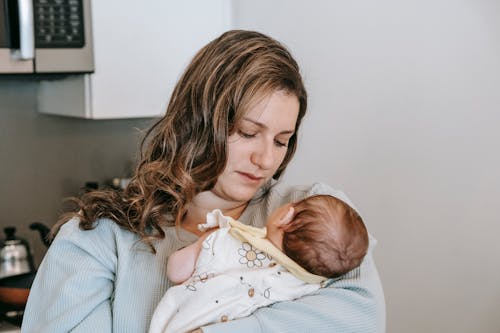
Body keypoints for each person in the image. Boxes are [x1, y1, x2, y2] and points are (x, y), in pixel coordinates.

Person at [22, 30, 385, 333]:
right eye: (247, 132)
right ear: (196, 122)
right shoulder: (98, 239)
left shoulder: (312, 214)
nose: (266, 160)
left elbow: (360, 315)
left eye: (280, 140)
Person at [149, 194, 369, 333]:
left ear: (286, 217)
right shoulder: (307, 287)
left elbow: (176, 271)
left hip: (184, 323)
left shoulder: (227, 241)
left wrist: (202, 243)